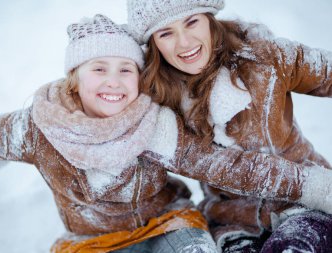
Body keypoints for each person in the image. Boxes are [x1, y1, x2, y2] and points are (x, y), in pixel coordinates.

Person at [0, 12, 330, 253]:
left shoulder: (153, 124)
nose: (113, 82)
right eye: (98, 69)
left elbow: (224, 165)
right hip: (99, 241)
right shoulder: (41, 127)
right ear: (74, 77)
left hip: (172, 226)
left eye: (126, 70)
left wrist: (316, 188)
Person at [127, 0, 332, 252]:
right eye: (166, 33)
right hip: (232, 221)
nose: (184, 43)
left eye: (192, 22)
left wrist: (320, 188)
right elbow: (215, 164)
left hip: (305, 208)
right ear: (154, 43)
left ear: (210, 19)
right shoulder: (159, 103)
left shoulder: (266, 58)